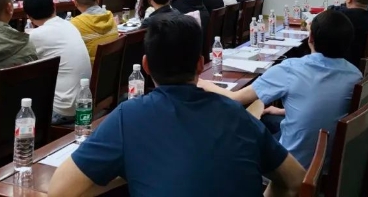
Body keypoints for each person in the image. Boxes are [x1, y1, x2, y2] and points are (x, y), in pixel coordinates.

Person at [48, 12, 305, 196]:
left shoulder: (129, 116)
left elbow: (60, 190)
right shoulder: (237, 114)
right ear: (200, 64)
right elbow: (296, 180)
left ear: (146, 66)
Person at [199, 10, 362, 168]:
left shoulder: (291, 68)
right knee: (268, 118)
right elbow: (328, 106)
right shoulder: (355, 75)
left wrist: (203, 83)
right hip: (330, 159)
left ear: (310, 37)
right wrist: (283, 111)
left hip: (292, 165)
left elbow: (236, 99)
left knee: (242, 130)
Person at [24, 0, 91, 125]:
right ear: (54, 7)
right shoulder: (69, 25)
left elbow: (24, 67)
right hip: (84, 103)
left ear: (29, 17)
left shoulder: (36, 35)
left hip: (62, 111)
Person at [70, 0, 117, 64]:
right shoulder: (110, 17)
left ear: (75, 2)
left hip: (89, 69)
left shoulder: (75, 24)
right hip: (112, 67)